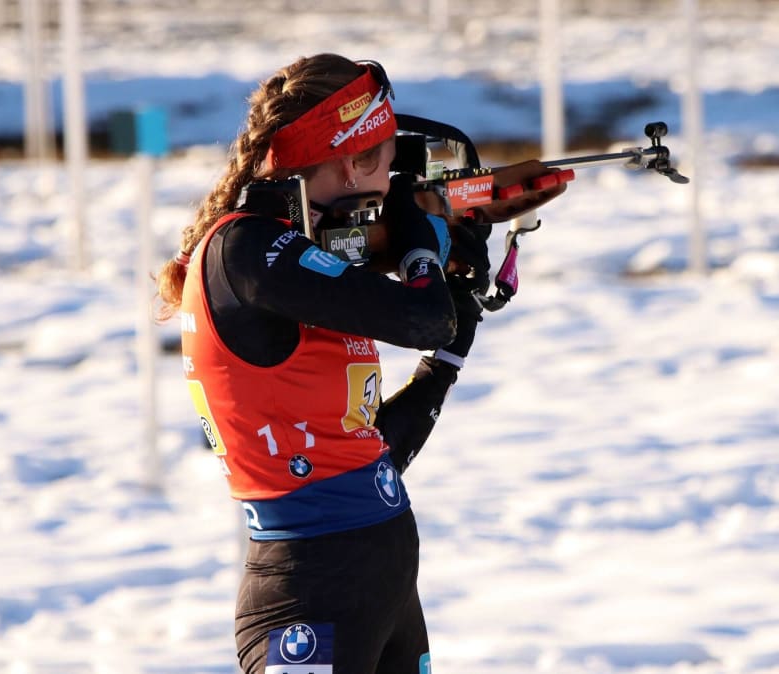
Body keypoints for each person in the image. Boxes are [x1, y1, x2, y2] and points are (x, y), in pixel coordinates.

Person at [156, 53, 563, 674]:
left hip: (378, 585)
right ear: (351, 160)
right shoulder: (248, 249)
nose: (387, 188)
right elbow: (418, 317)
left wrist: (450, 341)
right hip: (310, 595)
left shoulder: (294, 262)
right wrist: (422, 247)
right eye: (385, 164)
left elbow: (371, 465)